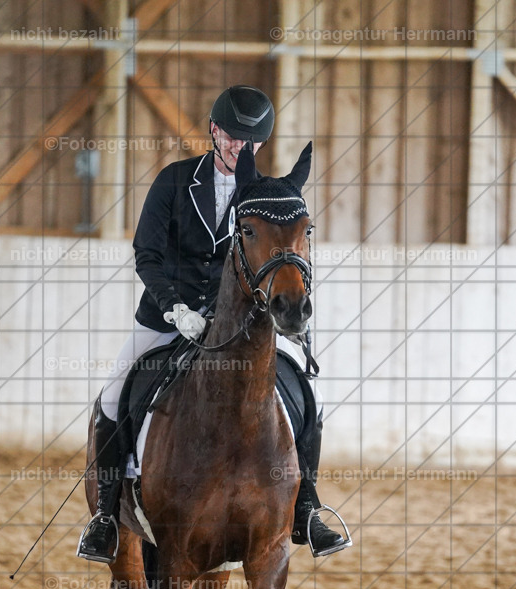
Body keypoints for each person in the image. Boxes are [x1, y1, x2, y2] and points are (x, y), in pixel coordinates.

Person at [77, 85, 349, 563]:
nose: (239, 147)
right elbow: (147, 255)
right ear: (214, 131)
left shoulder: (267, 196)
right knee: (115, 394)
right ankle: (105, 516)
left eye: (250, 141)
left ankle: (306, 507)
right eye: (231, 137)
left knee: (312, 395)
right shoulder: (175, 181)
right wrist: (175, 309)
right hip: (169, 318)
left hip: (244, 326)